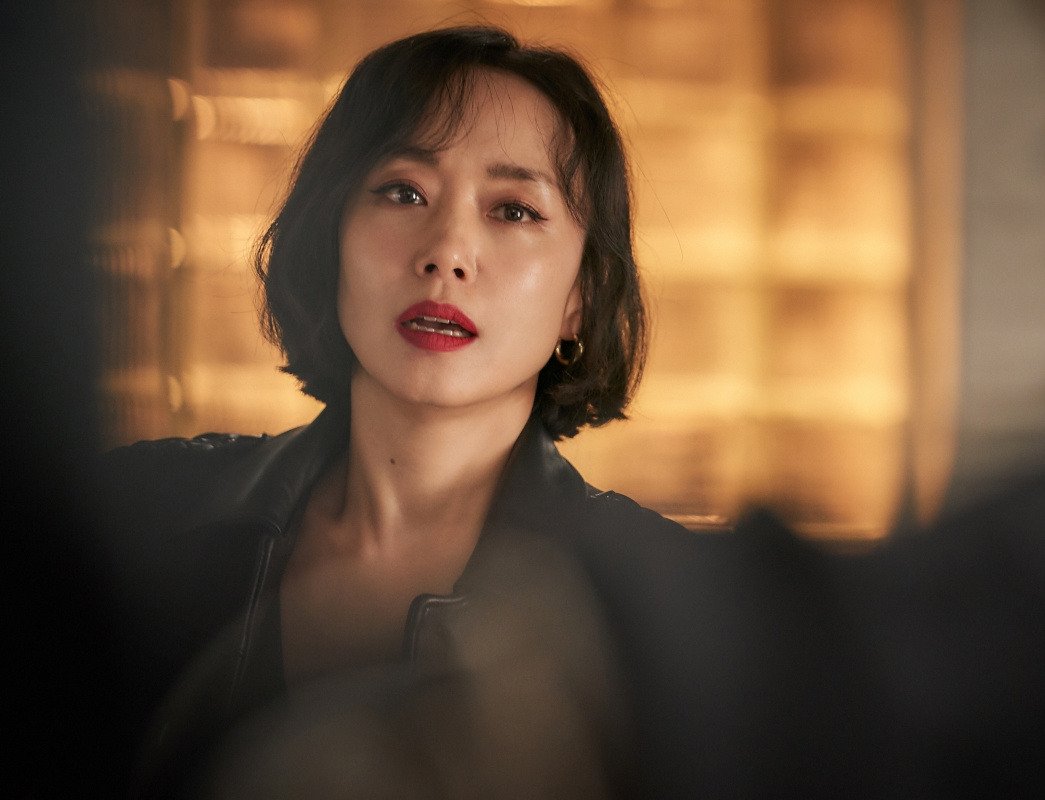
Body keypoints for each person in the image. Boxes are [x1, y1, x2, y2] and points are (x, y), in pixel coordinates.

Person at [99, 24, 703, 799]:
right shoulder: (138, 518)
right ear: (331, 237)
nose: (446, 251)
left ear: (579, 298)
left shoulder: (659, 614)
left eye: (513, 210)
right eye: (403, 192)